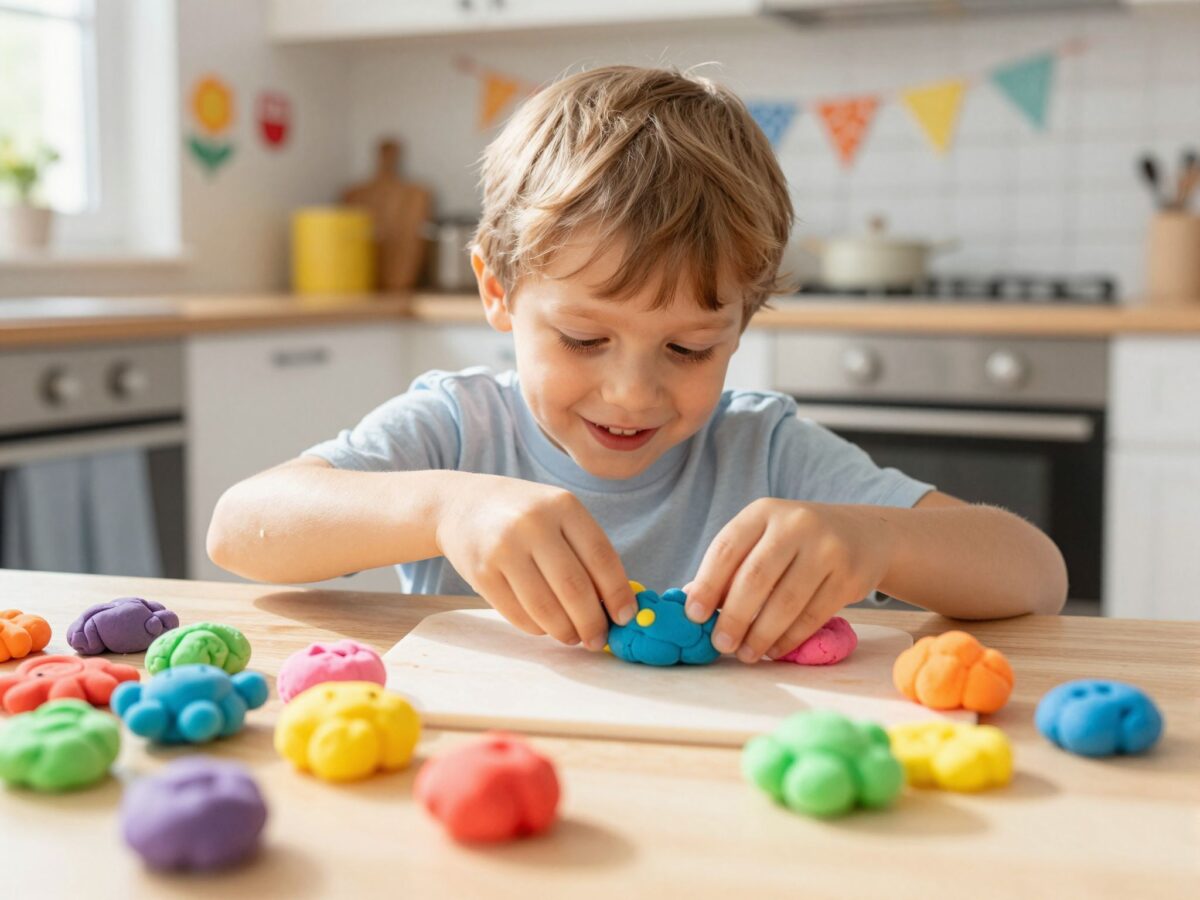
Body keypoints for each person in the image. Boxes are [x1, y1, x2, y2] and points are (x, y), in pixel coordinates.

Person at [207, 65, 1067, 665]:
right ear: (497, 291)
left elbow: (1036, 575)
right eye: (584, 340)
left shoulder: (765, 452)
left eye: (689, 349)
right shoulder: (457, 430)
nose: (632, 392)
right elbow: (240, 529)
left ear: (742, 324)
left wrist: (877, 542)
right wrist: (442, 505)